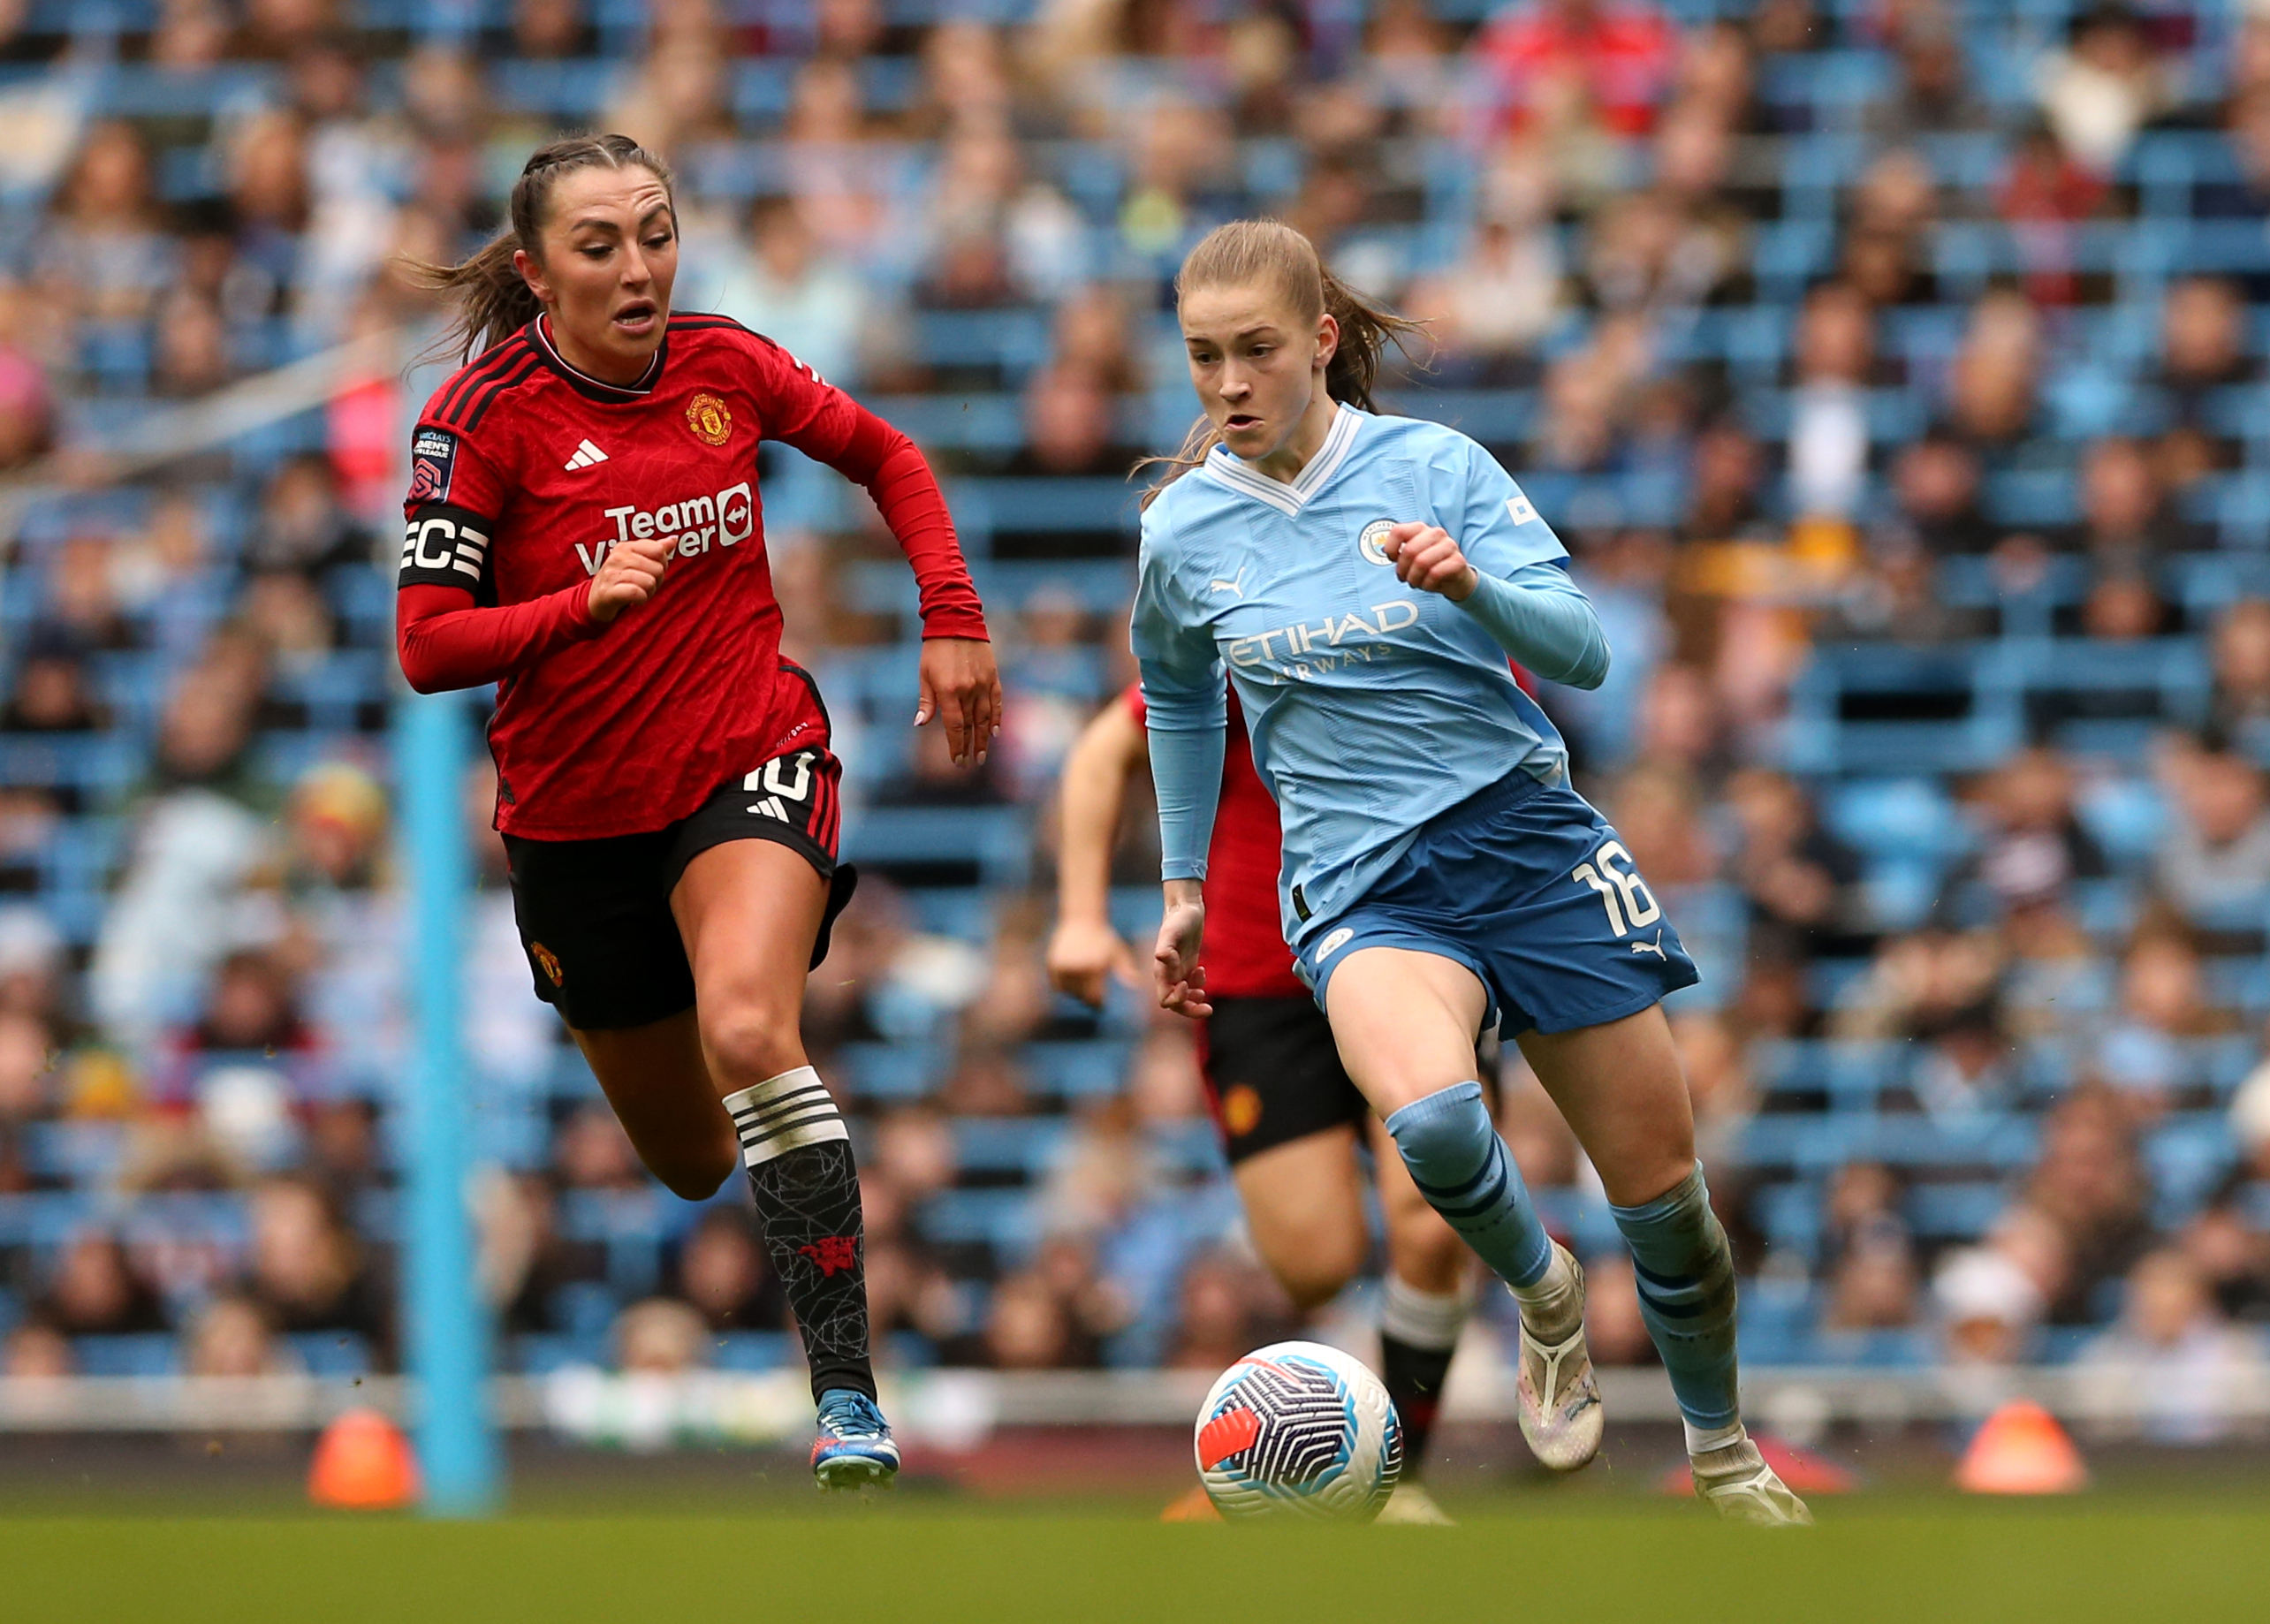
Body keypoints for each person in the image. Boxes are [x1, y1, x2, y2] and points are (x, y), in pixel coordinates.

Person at [1133, 218, 1808, 1524]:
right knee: (1437, 1123)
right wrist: (1180, 886)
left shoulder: (1434, 467)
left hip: (1526, 846)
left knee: (1671, 1210)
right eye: (1206, 355)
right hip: (1362, 887)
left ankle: (1724, 1454)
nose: (1229, 383)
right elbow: (1175, 700)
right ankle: (1546, 1291)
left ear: (1321, 341)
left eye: (1257, 349)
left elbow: (1583, 650)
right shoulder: (1185, 530)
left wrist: (1470, 585)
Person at [395, 134, 1002, 1489]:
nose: (639, 267)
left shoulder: (730, 364)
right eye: (600, 244)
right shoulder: (477, 419)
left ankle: (847, 1399)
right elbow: (427, 645)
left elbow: (888, 454)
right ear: (535, 270)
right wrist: (578, 603)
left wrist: (951, 615)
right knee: (683, 1158)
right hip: (574, 826)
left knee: (748, 1024)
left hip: (747, 753)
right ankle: (795, 1156)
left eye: (656, 233)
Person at [1049, 683, 1471, 1525]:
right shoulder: (1249, 623)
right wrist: (1079, 916)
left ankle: (1402, 1483)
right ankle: (1315, 1456)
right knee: (1315, 1260)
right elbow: (1103, 749)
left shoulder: (1437, 603)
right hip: (1259, 980)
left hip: (1418, 950)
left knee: (1429, 1223)